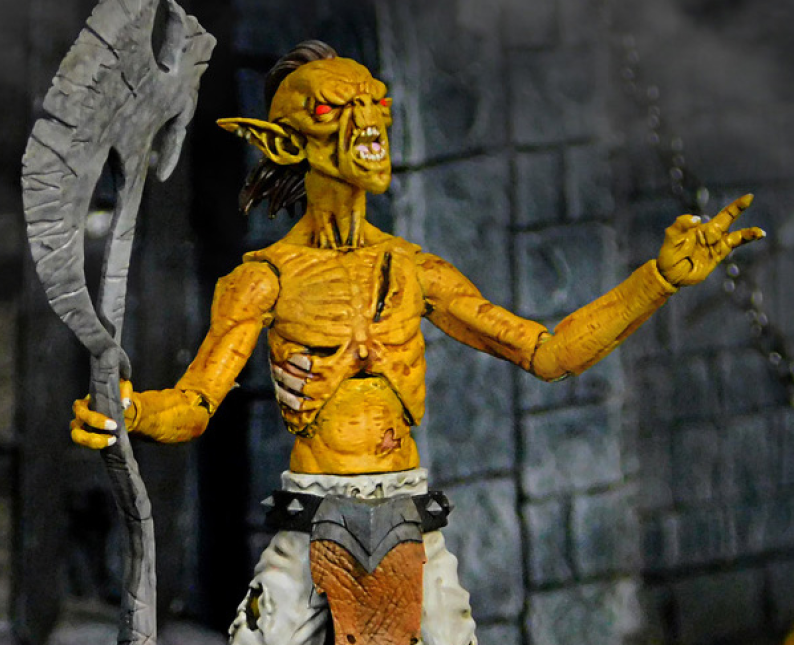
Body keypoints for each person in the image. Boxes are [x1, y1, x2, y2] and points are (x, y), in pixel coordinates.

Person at [71, 41, 764, 645]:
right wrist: (128, 412)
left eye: (375, 102)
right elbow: (194, 404)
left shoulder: (414, 271)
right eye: (332, 110)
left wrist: (657, 281)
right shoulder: (264, 280)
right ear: (285, 144)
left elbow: (550, 352)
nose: (367, 121)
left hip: (410, 522)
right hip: (310, 521)